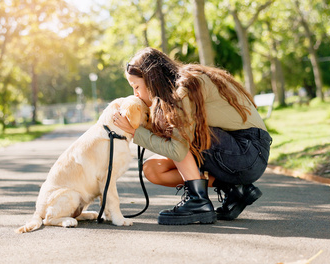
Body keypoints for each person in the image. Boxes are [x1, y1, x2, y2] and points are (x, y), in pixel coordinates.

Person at [112, 47, 272, 225]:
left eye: (136, 86)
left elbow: (178, 150)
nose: (135, 94)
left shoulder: (184, 89)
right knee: (153, 169)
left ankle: (198, 202)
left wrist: (135, 132)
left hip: (248, 152)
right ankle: (235, 189)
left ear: (151, 79)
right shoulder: (178, 88)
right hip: (239, 152)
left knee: (179, 134)